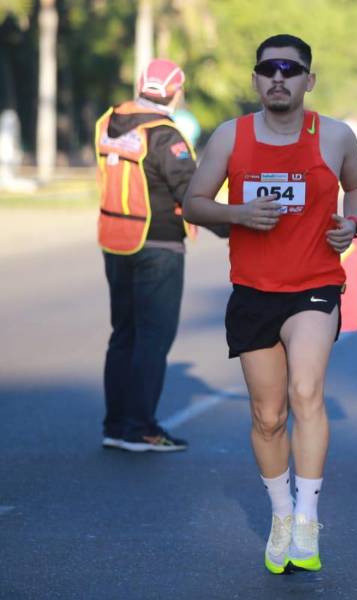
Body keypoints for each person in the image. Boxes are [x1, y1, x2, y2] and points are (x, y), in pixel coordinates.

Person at [182, 34, 357, 575]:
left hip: (314, 285)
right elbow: (194, 203)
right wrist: (238, 214)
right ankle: (282, 514)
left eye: (290, 69)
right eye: (268, 70)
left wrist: (351, 223)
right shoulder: (230, 137)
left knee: (306, 391)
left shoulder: (334, 136)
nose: (279, 78)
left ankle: (309, 518)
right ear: (256, 80)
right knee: (268, 416)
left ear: (309, 80)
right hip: (253, 290)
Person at [96, 58, 227, 453]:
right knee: (153, 339)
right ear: (175, 91)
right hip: (159, 246)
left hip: (115, 240)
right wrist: (234, 227)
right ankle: (141, 430)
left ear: (141, 85)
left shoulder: (108, 121)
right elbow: (190, 196)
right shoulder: (166, 135)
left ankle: (116, 425)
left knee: (124, 335)